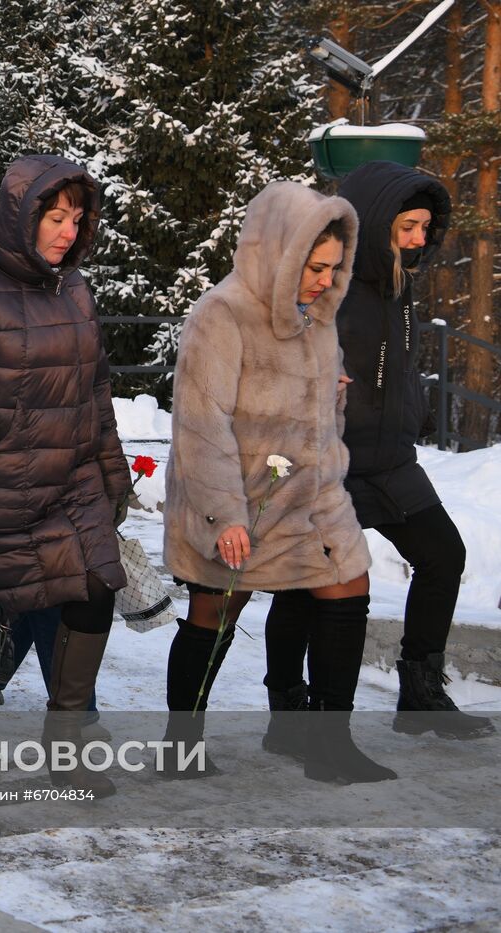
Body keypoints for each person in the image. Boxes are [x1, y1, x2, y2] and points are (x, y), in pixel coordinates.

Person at [164, 181, 393, 784]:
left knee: (348, 582)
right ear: (280, 254)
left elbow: (320, 427)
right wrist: (224, 515)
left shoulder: (317, 324)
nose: (324, 280)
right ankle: (179, 740)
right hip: (242, 498)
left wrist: (330, 402)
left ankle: (328, 740)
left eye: (333, 268)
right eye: (313, 266)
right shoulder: (222, 314)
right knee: (215, 613)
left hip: (312, 499)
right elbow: (200, 423)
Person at [0, 156, 130, 798]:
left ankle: (67, 743)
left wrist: (113, 473)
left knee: (96, 588)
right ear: (21, 217)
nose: (67, 231)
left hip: (71, 486)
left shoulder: (77, 291)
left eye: (76, 218)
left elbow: (96, 392)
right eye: (54, 216)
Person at [266, 162, 494, 744]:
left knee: (443, 555)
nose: (420, 239)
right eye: (409, 226)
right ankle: (289, 711)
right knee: (303, 587)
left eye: (424, 227)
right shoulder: (327, 283)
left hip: (391, 459)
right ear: (375, 221)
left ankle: (419, 692)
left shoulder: (398, 281)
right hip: (334, 462)